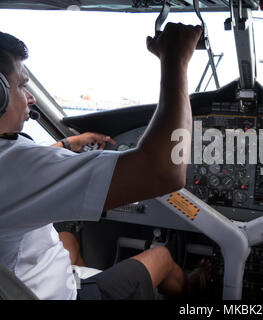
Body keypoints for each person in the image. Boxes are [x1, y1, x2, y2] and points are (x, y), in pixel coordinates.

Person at [0, 23, 211, 300]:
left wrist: (67, 144)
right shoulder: (15, 167)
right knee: (161, 256)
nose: (31, 98)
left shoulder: (13, 166)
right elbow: (164, 171)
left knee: (68, 241)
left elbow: (19, 177)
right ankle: (193, 292)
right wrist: (176, 60)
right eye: (22, 85)